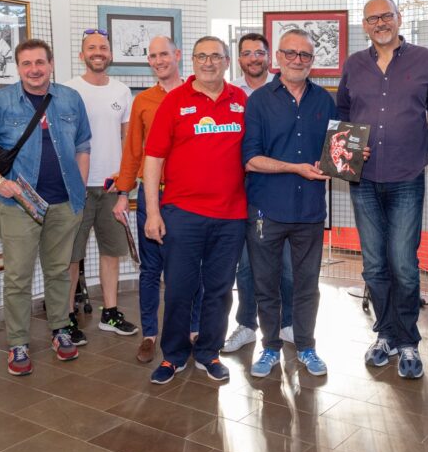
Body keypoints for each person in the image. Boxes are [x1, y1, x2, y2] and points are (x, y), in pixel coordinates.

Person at [336, 0, 428, 379]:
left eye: (386, 16)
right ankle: (385, 335)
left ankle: (408, 340)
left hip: (406, 178)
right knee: (374, 264)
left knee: (403, 264)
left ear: (399, 19)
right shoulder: (354, 65)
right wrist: (351, 148)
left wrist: (423, 148)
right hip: (363, 181)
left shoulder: (424, 59)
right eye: (372, 18)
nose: (380, 23)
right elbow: (343, 114)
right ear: (364, 25)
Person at [0, 39, 90, 376]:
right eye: (26, 64)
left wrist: (79, 186)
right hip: (18, 205)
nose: (34, 70)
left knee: (59, 271)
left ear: (51, 64)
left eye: (40, 62)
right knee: (18, 277)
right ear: (18, 67)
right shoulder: (0, 102)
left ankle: (60, 330)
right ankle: (18, 342)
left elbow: (83, 144)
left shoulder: (70, 98)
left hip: (65, 203)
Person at [143, 36, 247, 384]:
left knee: (219, 290)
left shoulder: (241, 100)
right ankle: (173, 356)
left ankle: (208, 352)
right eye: (201, 56)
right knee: (179, 289)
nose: (208, 63)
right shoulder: (174, 101)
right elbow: (153, 158)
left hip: (231, 216)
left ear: (227, 61)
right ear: (192, 61)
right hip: (182, 213)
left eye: (215, 56)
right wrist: (153, 212)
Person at [243, 29, 337, 377]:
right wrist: (294, 168)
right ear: (278, 58)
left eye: (305, 55)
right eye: (291, 53)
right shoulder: (258, 101)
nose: (298, 60)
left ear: (313, 60)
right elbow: (250, 159)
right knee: (266, 284)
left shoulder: (324, 101)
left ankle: (307, 346)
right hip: (267, 209)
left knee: (307, 284)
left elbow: (335, 151)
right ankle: (270, 347)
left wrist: (351, 156)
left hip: (309, 210)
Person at [112, 36, 185, 363]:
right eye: (153, 56)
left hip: (186, 196)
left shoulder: (194, 94)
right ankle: (149, 335)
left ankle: (191, 330)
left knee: (187, 268)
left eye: (164, 54)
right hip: (150, 195)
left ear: (177, 55)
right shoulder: (142, 101)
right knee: (151, 269)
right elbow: (132, 151)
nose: (159, 61)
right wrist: (122, 193)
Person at [223, 32, 295, 353]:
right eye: (247, 53)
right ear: (238, 59)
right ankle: (246, 325)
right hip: (241, 191)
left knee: (288, 264)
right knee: (247, 265)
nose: (253, 58)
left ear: (270, 56)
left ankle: (288, 323)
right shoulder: (231, 93)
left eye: (259, 52)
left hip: (281, 190)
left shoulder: (285, 88)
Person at [64, 30, 136, 344]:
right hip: (76, 188)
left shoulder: (122, 91)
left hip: (111, 188)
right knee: (71, 257)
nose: (98, 52)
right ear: (82, 55)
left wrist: (125, 183)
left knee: (112, 252)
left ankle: (111, 313)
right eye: (92, 48)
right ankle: (66, 319)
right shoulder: (68, 90)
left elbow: (129, 141)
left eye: (103, 48)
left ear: (110, 54)